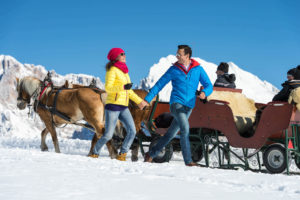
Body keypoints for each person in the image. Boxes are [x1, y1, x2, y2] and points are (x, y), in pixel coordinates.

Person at [142, 45, 213, 166]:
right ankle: (188, 160)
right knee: (185, 128)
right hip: (176, 104)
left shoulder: (198, 69)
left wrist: (204, 93)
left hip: (189, 106)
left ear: (187, 56)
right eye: (177, 54)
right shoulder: (174, 70)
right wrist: (147, 100)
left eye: (179, 54)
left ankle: (151, 154)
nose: (177, 56)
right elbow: (159, 85)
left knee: (170, 134)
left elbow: (209, 85)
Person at [89, 48, 148, 161]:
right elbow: (108, 88)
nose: (124, 55)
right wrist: (123, 87)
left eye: (125, 53)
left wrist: (140, 102)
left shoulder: (125, 72)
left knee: (132, 131)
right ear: (116, 57)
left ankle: (123, 154)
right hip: (113, 107)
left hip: (124, 107)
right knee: (108, 135)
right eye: (122, 54)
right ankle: (95, 152)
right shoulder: (112, 70)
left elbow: (129, 91)